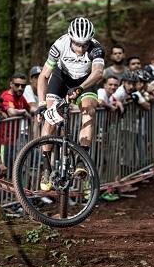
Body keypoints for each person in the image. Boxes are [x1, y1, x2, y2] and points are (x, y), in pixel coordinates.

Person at [36, 16, 105, 191]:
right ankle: (46, 166)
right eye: (77, 44)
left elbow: (97, 73)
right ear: (70, 38)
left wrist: (80, 88)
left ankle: (82, 158)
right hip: (61, 79)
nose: (81, 49)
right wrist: (42, 104)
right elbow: (43, 76)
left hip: (85, 81)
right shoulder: (59, 45)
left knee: (88, 111)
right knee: (50, 118)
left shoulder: (96, 48)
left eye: (85, 44)